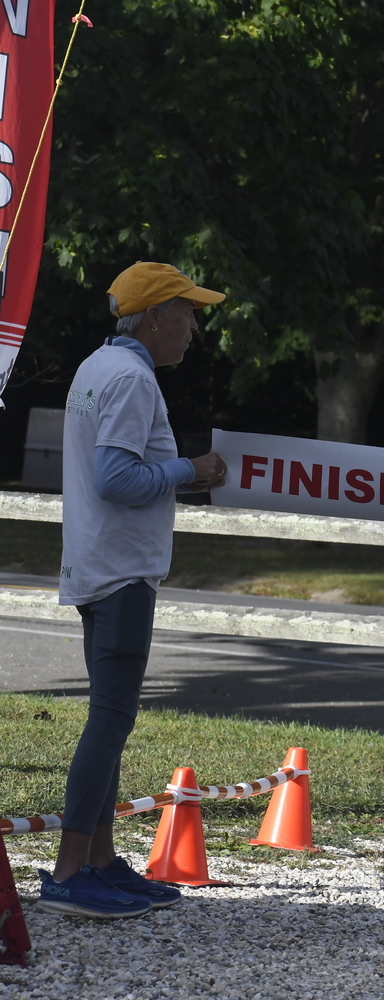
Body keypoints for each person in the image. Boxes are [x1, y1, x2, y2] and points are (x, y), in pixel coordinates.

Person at [37, 262, 229, 919]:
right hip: (120, 571)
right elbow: (117, 479)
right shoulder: (133, 379)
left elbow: (116, 471)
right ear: (154, 317)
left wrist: (177, 473)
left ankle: (100, 860)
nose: (193, 327)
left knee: (110, 716)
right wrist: (187, 468)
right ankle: (69, 872)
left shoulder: (98, 367)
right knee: (112, 717)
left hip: (97, 563)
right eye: (187, 312)